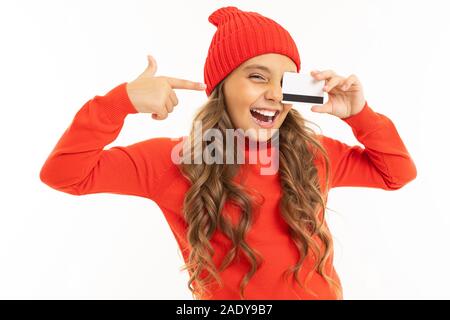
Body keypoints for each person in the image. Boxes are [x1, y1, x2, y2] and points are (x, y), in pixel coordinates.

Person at [39, 6, 417, 300]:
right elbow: (64, 174)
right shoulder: (174, 161)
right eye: (256, 76)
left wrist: (360, 115)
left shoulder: (313, 155)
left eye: (285, 81)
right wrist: (118, 103)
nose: (273, 93)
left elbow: (397, 173)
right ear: (220, 88)